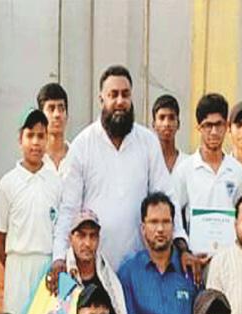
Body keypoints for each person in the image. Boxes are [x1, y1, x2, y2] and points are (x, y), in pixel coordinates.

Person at [50, 64, 189, 286]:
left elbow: (167, 197)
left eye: (125, 94)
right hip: (93, 268)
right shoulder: (83, 145)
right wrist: (59, 257)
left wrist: (181, 243)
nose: (120, 101)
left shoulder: (147, 142)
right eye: (113, 95)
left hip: (140, 268)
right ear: (101, 99)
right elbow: (69, 208)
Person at [0, 108, 62, 314]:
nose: (35, 142)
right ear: (20, 139)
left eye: (41, 136)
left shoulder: (56, 182)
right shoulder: (7, 184)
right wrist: (14, 263)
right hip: (17, 265)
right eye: (30, 135)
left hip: (47, 265)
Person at [173, 93, 242, 270]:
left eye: (218, 124)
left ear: (227, 126)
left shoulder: (236, 169)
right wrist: (184, 251)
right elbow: (173, 215)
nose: (213, 131)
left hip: (230, 263)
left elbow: (241, 214)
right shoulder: (185, 169)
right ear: (199, 127)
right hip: (196, 264)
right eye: (207, 126)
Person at [37, 82, 70, 175]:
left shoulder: (78, 158)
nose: (57, 115)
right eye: (51, 109)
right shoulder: (34, 161)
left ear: (67, 115)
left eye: (61, 108)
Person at [151, 94, 189, 174]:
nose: (167, 124)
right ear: (154, 124)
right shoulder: (148, 163)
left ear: (178, 124)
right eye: (162, 118)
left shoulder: (188, 163)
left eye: (171, 118)